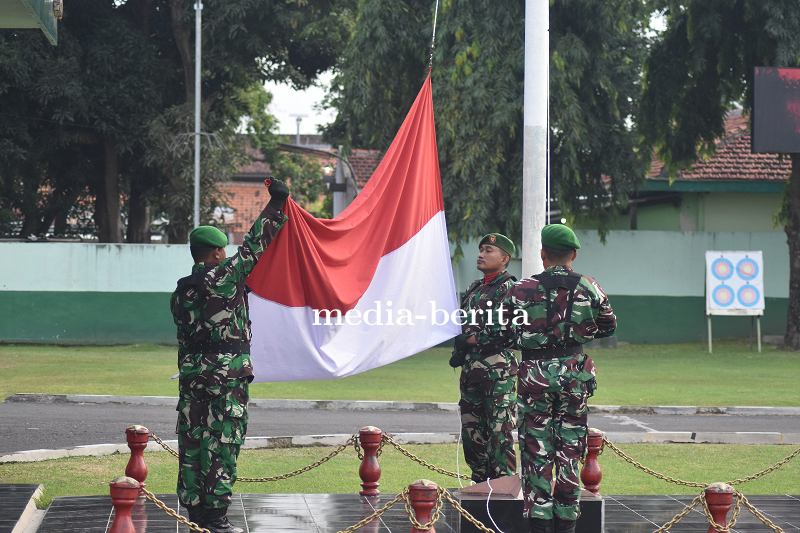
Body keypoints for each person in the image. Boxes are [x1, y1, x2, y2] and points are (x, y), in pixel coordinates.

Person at [455, 224, 616, 533]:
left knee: (535, 449)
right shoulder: (589, 286)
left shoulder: (522, 289)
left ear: (543, 254)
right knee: (569, 448)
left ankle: (539, 518)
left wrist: (527, 338)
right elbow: (608, 326)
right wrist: (580, 333)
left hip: (535, 378)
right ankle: (567, 517)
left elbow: (500, 332)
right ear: (574, 255)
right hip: (573, 376)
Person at [170, 179, 290, 533]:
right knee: (222, 444)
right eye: (224, 251)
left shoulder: (180, 292)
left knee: (192, 444)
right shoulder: (225, 278)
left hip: (193, 378)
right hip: (226, 379)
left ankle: (194, 515)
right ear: (217, 253)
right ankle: (217, 520)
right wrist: (277, 204)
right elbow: (256, 245)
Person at [449, 233, 518, 483]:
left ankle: (504, 489)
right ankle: (479, 485)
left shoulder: (510, 289)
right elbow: (463, 322)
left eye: (489, 250)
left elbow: (508, 330)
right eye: (481, 249)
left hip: (497, 373)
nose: (481, 254)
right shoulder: (474, 288)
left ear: (504, 259)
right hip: (471, 372)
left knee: (500, 434)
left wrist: (469, 340)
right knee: (472, 434)